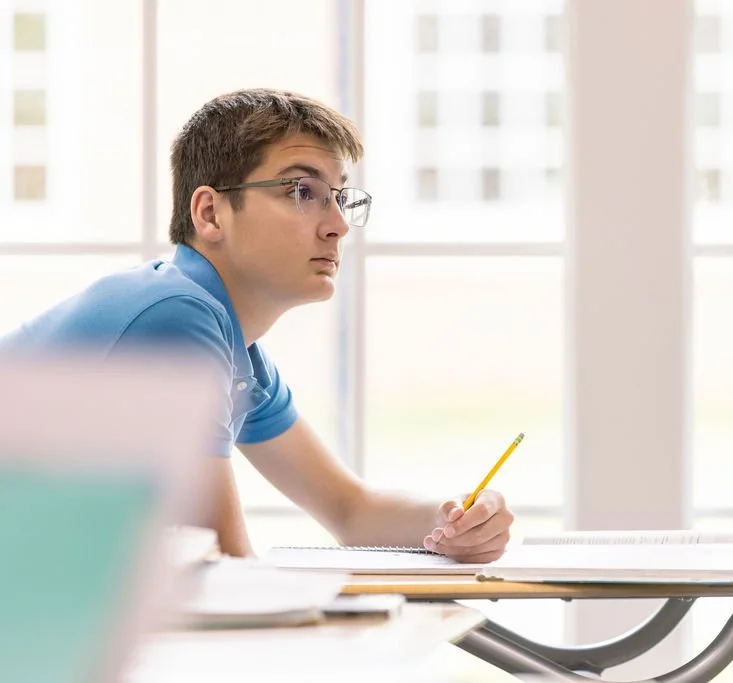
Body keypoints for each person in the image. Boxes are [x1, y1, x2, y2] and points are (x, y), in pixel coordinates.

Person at [0, 88, 513, 559]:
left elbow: (351, 510)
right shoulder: (175, 315)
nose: (336, 226)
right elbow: (225, 571)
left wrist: (452, 519)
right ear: (211, 213)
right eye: (301, 192)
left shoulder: (235, 350)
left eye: (341, 198)